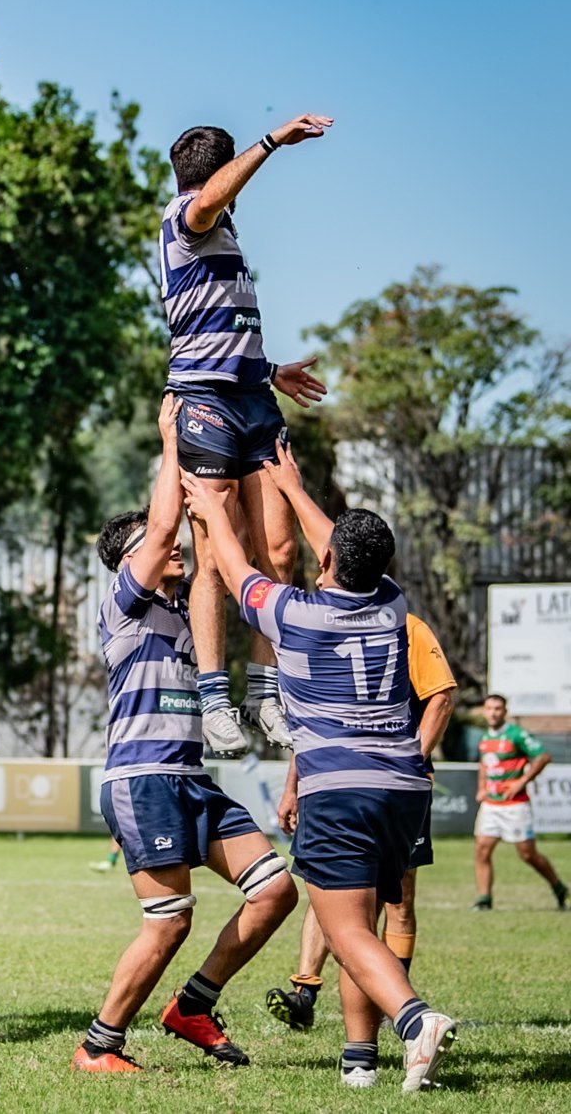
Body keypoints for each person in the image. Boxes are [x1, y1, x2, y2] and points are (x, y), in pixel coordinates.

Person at [183, 442, 457, 1092]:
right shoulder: (392, 606)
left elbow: (231, 562)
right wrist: (292, 486)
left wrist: (212, 508)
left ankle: (416, 1023)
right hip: (403, 785)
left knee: (343, 928)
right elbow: (341, 551)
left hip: (340, 790)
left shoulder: (293, 615)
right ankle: (359, 1058)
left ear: (328, 559)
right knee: (361, 924)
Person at [72, 396, 297, 1076]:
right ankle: (98, 1047)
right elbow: (169, 518)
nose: (165, 543)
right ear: (126, 561)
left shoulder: (186, 605)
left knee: (275, 892)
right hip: (141, 780)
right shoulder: (125, 604)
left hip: (190, 781)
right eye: (151, 541)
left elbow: (235, 556)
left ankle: (192, 1006)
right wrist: (174, 442)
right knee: (169, 920)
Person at [159, 115, 331, 754]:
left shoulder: (224, 234)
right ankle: (214, 701)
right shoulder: (187, 216)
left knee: (282, 554)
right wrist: (273, 143)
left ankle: (265, 694)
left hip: (254, 397)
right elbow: (208, 199)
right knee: (211, 551)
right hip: (204, 401)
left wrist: (270, 368)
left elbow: (223, 329)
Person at [266, 611, 457, 1028]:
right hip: (331, 783)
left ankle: (394, 1001)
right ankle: (304, 992)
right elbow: (314, 720)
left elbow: (441, 697)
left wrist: (408, 762)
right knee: (327, 884)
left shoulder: (408, 627)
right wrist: (291, 787)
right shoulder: (322, 627)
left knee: (398, 897)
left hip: (394, 788)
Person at [472, 693, 568, 911]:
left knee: (527, 854)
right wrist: (481, 787)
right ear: (484, 711)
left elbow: (543, 757)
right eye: (489, 708)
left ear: (505, 712)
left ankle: (558, 886)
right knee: (482, 850)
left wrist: (520, 782)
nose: (493, 712)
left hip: (515, 805)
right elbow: (484, 765)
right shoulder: (485, 737)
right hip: (491, 804)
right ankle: (484, 899)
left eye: (498, 708)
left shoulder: (517, 735)